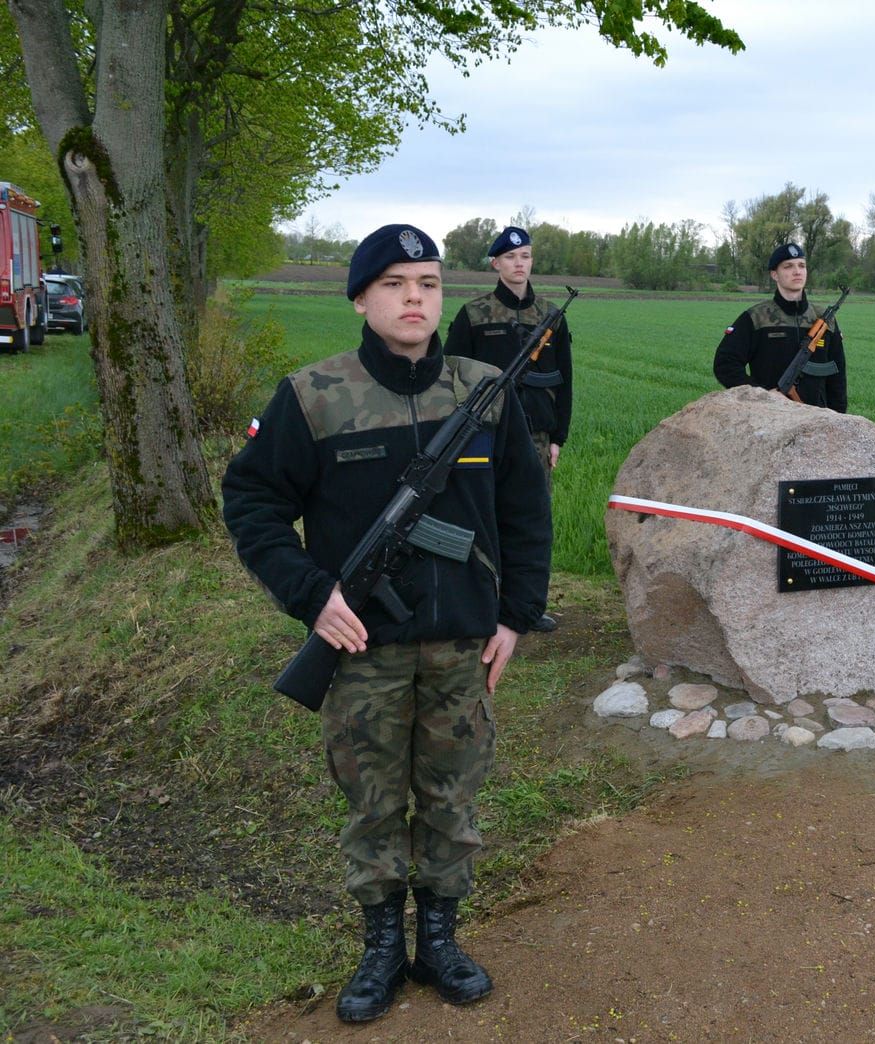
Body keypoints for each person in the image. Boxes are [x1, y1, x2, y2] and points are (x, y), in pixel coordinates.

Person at [222, 224, 552, 1022]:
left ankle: (437, 941)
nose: (415, 298)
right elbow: (253, 501)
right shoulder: (313, 395)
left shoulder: (483, 391)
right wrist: (309, 593)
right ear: (362, 298)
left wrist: (515, 615)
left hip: (462, 646)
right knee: (372, 803)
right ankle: (380, 949)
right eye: (397, 283)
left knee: (450, 798)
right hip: (361, 648)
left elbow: (523, 514)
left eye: (429, 283)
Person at [445, 225, 570, 632]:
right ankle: (482, 601)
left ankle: (526, 607)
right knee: (483, 516)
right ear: (496, 263)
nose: (520, 264)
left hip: (535, 435)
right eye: (511, 258)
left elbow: (564, 379)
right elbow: (449, 374)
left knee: (531, 520)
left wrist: (558, 438)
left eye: (526, 256)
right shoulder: (474, 314)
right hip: (484, 432)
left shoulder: (551, 315)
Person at [713, 242, 847, 412]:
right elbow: (725, 364)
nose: (797, 271)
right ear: (775, 274)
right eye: (788, 266)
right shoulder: (756, 317)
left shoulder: (825, 320)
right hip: (769, 416)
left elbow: (838, 378)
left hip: (818, 419)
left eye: (801, 266)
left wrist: (840, 419)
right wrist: (761, 395)